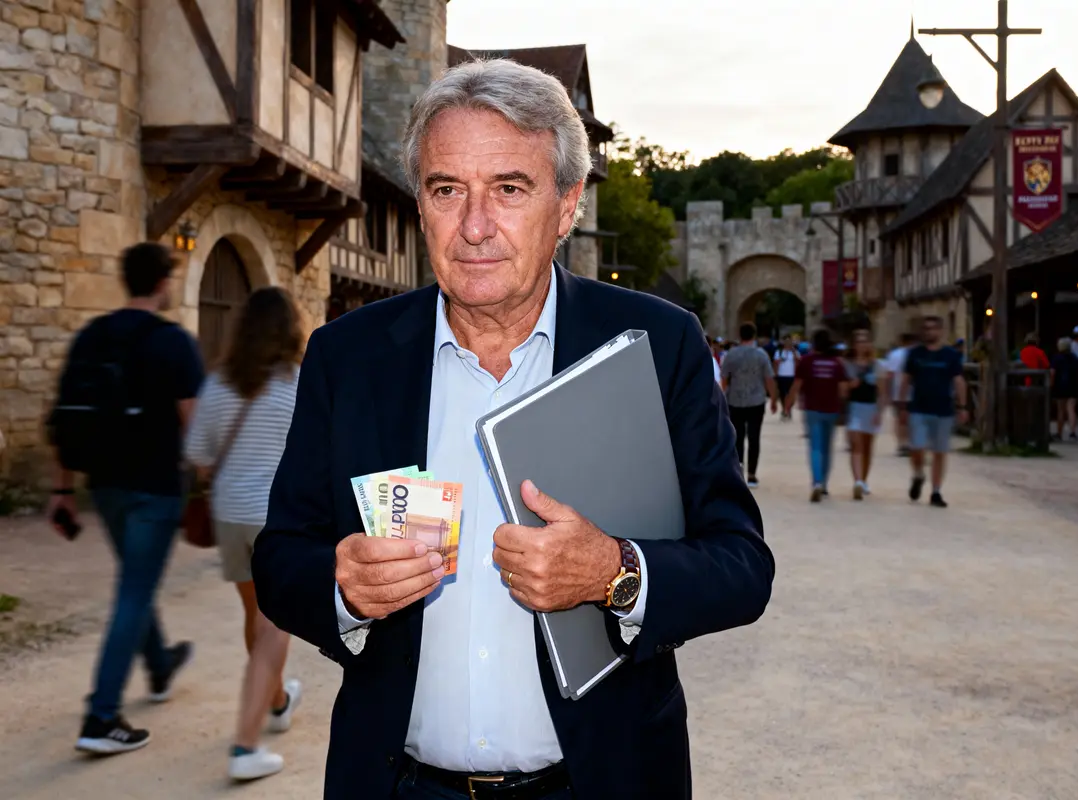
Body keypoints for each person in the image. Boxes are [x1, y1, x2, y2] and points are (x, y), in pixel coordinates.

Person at [250, 59, 774, 800]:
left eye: (509, 189)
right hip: (400, 786)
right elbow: (279, 557)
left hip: (598, 783)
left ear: (566, 205)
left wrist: (613, 572)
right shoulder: (349, 356)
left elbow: (742, 567)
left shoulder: (657, 345)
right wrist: (342, 587)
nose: (473, 226)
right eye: (446, 190)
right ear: (421, 205)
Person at [47, 242, 204, 754]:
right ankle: (101, 717)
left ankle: (159, 664)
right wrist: (205, 482)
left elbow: (65, 416)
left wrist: (62, 489)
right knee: (134, 590)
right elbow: (194, 426)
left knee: (137, 579)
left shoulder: (91, 336)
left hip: (104, 486)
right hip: (154, 489)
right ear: (161, 283)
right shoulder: (172, 342)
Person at [184, 287, 305, 781]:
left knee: (255, 616)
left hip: (231, 516)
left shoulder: (219, 384)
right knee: (273, 625)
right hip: (275, 519)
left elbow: (198, 456)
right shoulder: (296, 384)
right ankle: (244, 747)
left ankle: (276, 700)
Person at [897, 316, 968, 508]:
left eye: (933, 328)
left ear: (941, 331)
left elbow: (959, 381)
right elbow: (906, 379)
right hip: (918, 408)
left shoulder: (950, 355)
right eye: (926, 329)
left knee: (939, 452)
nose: (929, 332)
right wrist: (902, 406)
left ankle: (936, 491)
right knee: (916, 447)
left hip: (943, 410)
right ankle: (918, 474)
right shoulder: (915, 354)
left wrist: (962, 406)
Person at [785, 329, 848, 503]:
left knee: (815, 447)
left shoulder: (807, 361)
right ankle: (824, 484)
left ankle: (816, 482)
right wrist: (843, 410)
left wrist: (788, 403)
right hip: (831, 409)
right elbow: (843, 390)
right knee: (827, 448)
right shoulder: (837, 363)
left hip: (812, 409)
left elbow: (797, 385)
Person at [721, 322, 779, 487]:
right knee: (754, 437)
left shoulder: (731, 354)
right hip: (756, 401)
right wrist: (773, 399)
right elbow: (769, 378)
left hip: (735, 400)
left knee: (737, 437)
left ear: (740, 335)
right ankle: (752, 474)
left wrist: (723, 396)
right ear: (754, 335)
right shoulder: (761, 355)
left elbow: (724, 378)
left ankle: (738, 469)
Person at [844, 329, 886, 500]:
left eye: (865, 341)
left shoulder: (877, 365)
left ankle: (864, 479)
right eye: (859, 341)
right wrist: (850, 385)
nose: (862, 344)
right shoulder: (847, 365)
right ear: (854, 345)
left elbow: (882, 392)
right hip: (854, 407)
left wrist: (880, 412)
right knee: (856, 445)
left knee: (867, 447)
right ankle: (857, 481)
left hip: (871, 408)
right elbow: (841, 389)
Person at [883, 332, 917, 456]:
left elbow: (889, 375)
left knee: (900, 419)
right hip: (914, 392)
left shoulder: (895, 354)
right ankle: (911, 442)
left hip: (898, 392)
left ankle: (902, 444)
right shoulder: (917, 354)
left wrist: (888, 392)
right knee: (912, 419)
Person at [1049, 336, 1078, 442]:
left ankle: (1059, 433)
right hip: (1073, 386)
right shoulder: (1075, 359)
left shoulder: (1056, 358)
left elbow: (1052, 373)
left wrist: (1051, 385)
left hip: (1060, 386)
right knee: (1071, 409)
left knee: (1061, 410)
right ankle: (1073, 432)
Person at [773, 334, 798, 420]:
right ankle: (784, 409)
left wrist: (794, 352)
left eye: (789, 341)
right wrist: (775, 375)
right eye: (786, 341)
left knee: (791, 394)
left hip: (792, 376)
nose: (787, 343)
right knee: (783, 394)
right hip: (781, 376)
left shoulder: (795, 352)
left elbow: (798, 361)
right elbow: (775, 363)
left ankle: (789, 408)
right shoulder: (779, 352)